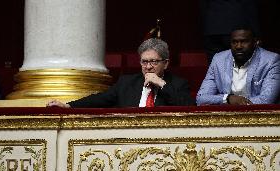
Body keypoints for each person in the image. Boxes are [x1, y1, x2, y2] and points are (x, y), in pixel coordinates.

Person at [47, 38, 195, 108]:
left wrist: (162, 84)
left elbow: (189, 107)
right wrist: (68, 106)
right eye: (144, 62)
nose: (148, 67)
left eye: (154, 62)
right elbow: (100, 99)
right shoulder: (126, 83)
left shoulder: (177, 84)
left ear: (166, 63)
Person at [196, 27, 280, 105]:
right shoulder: (219, 59)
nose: (238, 46)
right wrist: (228, 98)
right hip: (225, 116)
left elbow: (266, 100)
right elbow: (201, 98)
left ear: (256, 42)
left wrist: (237, 104)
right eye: (234, 42)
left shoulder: (271, 60)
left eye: (244, 41)